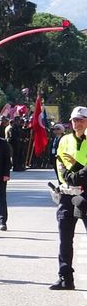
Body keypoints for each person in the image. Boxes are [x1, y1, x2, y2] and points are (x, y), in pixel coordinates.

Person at [51, 106, 87, 291]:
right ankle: (65, 277)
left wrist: (74, 171)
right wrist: (68, 176)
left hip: (85, 194)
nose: (77, 123)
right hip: (67, 194)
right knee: (65, 238)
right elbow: (59, 163)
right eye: (74, 120)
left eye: (81, 120)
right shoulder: (64, 139)